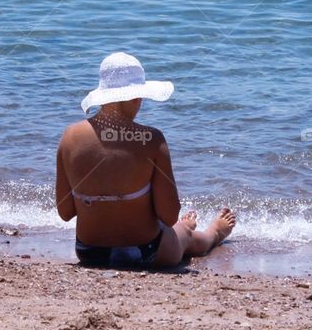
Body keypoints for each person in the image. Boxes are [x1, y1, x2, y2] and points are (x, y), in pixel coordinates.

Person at [56, 51, 236, 270]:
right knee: (183, 234)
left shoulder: (69, 137)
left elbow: (65, 212)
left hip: (89, 252)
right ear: (135, 97)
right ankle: (214, 232)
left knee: (173, 228)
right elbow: (168, 216)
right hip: (145, 253)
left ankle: (187, 228)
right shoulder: (151, 139)